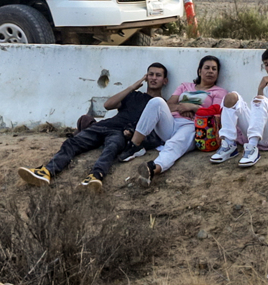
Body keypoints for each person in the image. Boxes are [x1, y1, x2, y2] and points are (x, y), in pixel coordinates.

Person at [17, 63, 169, 193]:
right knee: (73, 142)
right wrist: (133, 86)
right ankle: (46, 172)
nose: (154, 78)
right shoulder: (135, 96)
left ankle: (95, 177)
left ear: (165, 81)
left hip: (121, 133)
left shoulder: (161, 106)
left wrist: (132, 135)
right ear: (146, 77)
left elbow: (157, 133)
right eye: (150, 74)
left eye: (158, 75)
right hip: (107, 125)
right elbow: (108, 105)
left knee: (111, 148)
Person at [116, 55, 227, 187]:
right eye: (207, 68)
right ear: (199, 71)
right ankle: (134, 145)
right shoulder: (185, 86)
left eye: (214, 69)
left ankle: (153, 168)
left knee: (174, 144)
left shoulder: (219, 92)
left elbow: (216, 115)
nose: (210, 71)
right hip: (171, 123)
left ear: (218, 73)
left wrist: (193, 107)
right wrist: (181, 107)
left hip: (193, 126)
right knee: (156, 101)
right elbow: (168, 105)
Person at [210, 47, 268, 168]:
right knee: (231, 97)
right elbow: (259, 112)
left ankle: (252, 148)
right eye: (266, 64)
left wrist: (265, 102)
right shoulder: (267, 86)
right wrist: (260, 90)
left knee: (260, 101)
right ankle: (229, 145)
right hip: (259, 132)